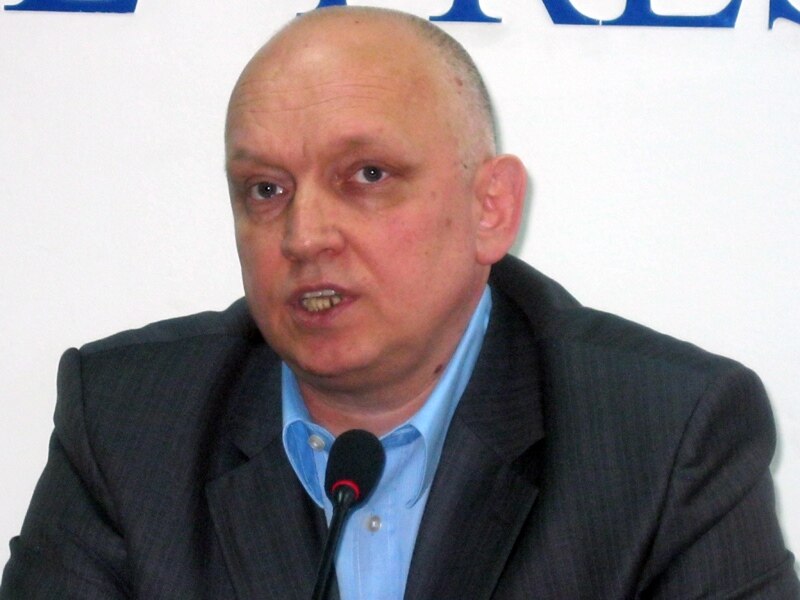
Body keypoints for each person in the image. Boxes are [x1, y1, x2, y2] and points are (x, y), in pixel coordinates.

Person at [1, 6, 797, 599]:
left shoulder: (665, 437)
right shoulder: (130, 423)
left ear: (490, 207)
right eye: (266, 190)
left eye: (367, 176)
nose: (305, 235)